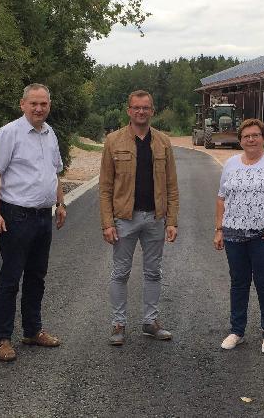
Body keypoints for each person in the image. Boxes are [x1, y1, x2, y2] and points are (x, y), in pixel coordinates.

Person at [0, 83, 67, 362]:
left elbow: (54, 172)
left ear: (49, 105)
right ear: (22, 105)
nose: (39, 108)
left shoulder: (50, 133)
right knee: (10, 278)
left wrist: (61, 202)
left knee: (37, 277)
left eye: (43, 104)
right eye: (33, 103)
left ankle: (33, 330)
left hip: (43, 216)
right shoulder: (9, 133)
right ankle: (2, 338)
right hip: (16, 216)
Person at [99, 90, 179, 346]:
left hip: (155, 218)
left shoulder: (163, 142)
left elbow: (172, 185)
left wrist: (172, 220)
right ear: (129, 110)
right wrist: (108, 223)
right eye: (136, 108)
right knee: (120, 272)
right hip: (125, 218)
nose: (141, 112)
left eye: (145, 108)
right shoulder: (113, 141)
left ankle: (150, 321)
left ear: (152, 111)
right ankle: (118, 323)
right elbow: (105, 187)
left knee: (153, 272)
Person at [213, 118, 264, 354]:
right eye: (246, 135)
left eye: (256, 135)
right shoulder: (230, 164)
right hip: (233, 235)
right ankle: (237, 331)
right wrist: (219, 229)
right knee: (238, 283)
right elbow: (221, 197)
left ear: (263, 138)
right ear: (240, 140)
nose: (251, 139)